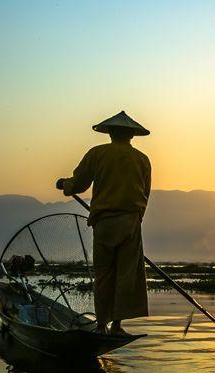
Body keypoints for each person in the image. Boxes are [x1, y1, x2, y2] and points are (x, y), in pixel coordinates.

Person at [56, 111, 151, 335]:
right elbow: (145, 194)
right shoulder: (142, 160)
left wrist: (64, 184)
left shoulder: (97, 154)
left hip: (104, 223)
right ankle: (116, 326)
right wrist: (135, 220)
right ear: (131, 135)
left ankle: (101, 326)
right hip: (130, 222)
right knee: (126, 274)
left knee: (104, 273)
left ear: (110, 133)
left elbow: (78, 183)